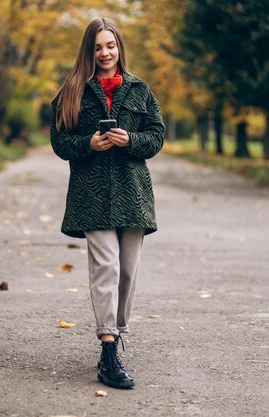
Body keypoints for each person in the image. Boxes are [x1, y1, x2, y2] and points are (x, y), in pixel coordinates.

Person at [50, 17, 165, 389]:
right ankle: (108, 349)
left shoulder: (140, 89)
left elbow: (156, 137)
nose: (105, 53)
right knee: (108, 267)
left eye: (110, 46)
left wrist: (129, 139)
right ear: (89, 50)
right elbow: (59, 141)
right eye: (98, 47)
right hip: (91, 195)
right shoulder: (72, 91)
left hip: (133, 195)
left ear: (119, 48)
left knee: (128, 272)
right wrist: (89, 144)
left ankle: (117, 335)